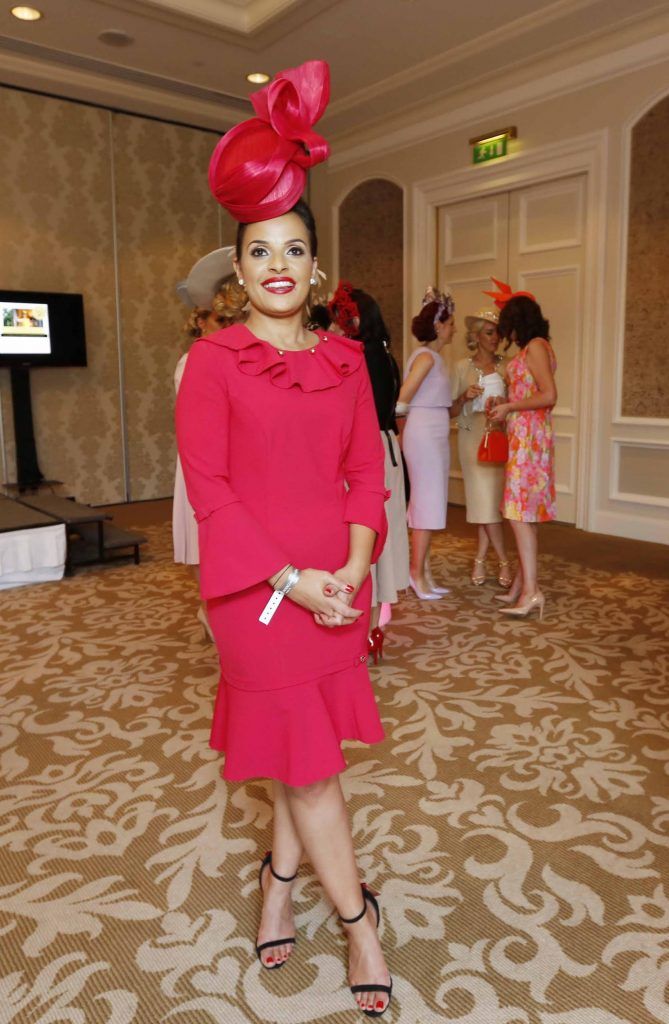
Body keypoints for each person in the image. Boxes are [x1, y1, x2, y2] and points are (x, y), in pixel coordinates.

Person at [175, 61, 392, 1018]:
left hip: (337, 586)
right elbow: (210, 490)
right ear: (240, 267)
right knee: (311, 767)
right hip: (255, 592)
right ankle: (359, 922)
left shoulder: (345, 362)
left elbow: (366, 473)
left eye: (292, 250)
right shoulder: (212, 362)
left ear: (314, 271)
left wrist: (350, 563)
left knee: (304, 752)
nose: (275, 263)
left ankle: (275, 880)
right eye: (258, 249)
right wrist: (292, 577)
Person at [328, 282, 410, 662]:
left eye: (342, 317)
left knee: (366, 539)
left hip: (367, 451)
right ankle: (374, 631)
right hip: (387, 448)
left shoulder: (359, 356)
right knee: (381, 540)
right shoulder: (384, 353)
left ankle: (366, 632)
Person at [173, 247, 246, 641]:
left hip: (237, 464)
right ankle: (209, 612)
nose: (229, 326)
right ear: (201, 320)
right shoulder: (192, 363)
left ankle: (224, 614)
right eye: (221, 319)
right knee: (205, 543)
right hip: (203, 467)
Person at [487, 279, 558, 619]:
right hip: (525, 439)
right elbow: (533, 394)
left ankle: (531, 591)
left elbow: (549, 395)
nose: (507, 333)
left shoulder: (537, 347)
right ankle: (521, 585)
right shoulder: (530, 349)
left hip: (531, 443)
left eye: (509, 325)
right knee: (523, 515)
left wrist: (510, 408)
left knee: (518, 514)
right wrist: (507, 403)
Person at [396, 286, 455, 599]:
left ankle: (424, 571)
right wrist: (403, 431)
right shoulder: (426, 358)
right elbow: (403, 398)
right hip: (424, 434)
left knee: (429, 503)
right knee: (426, 503)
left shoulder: (433, 358)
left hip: (432, 432)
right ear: (438, 326)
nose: (454, 329)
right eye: (450, 323)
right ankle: (415, 573)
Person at [450, 308, 513, 588]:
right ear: (476, 337)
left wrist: (502, 408)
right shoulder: (461, 367)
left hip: (499, 437)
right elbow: (449, 409)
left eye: (497, 332)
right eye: (489, 332)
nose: (495, 338)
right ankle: (503, 560)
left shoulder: (507, 366)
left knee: (491, 505)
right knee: (482, 502)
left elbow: (517, 406)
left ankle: (479, 558)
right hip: (471, 438)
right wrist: (465, 396)